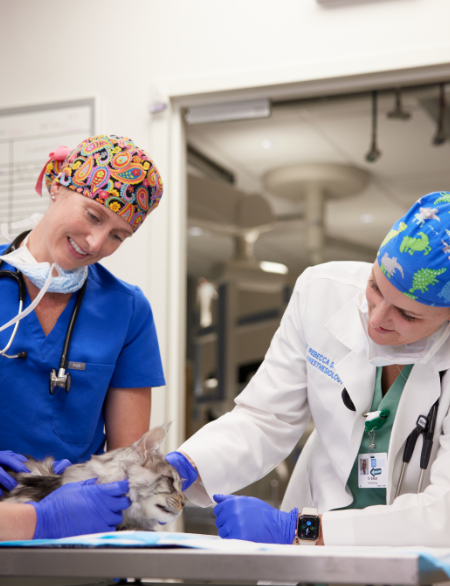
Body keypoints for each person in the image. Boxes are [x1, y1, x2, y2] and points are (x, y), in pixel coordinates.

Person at [167, 192, 450, 547]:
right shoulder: (322, 292)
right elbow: (267, 418)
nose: (376, 319)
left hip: (409, 561)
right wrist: (183, 465)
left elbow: (442, 516)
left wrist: (299, 530)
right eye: (375, 287)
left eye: (407, 314)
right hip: (314, 555)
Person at [0, 134, 164, 539]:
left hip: (76, 530)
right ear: (57, 186)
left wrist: (88, 492)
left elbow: (127, 461)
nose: (95, 243)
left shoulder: (127, 310)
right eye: (93, 215)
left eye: (117, 235)